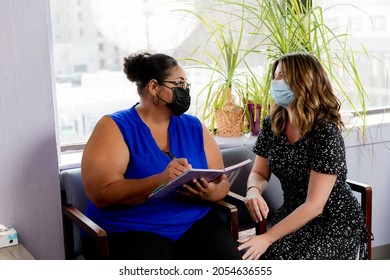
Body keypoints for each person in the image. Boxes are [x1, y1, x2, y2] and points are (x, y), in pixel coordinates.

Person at [80, 52, 242, 260]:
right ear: (154, 87)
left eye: (187, 86)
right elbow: (101, 194)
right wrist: (161, 180)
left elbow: (222, 180)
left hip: (192, 222)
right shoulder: (114, 127)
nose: (185, 91)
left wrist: (209, 193)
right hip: (131, 229)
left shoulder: (194, 126)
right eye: (179, 84)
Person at [238, 52, 367, 260]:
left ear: (304, 81)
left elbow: (315, 205)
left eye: (282, 76)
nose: (275, 82)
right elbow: (259, 172)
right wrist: (252, 191)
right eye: (275, 76)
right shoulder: (273, 123)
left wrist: (268, 237)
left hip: (332, 221)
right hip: (292, 214)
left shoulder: (325, 132)